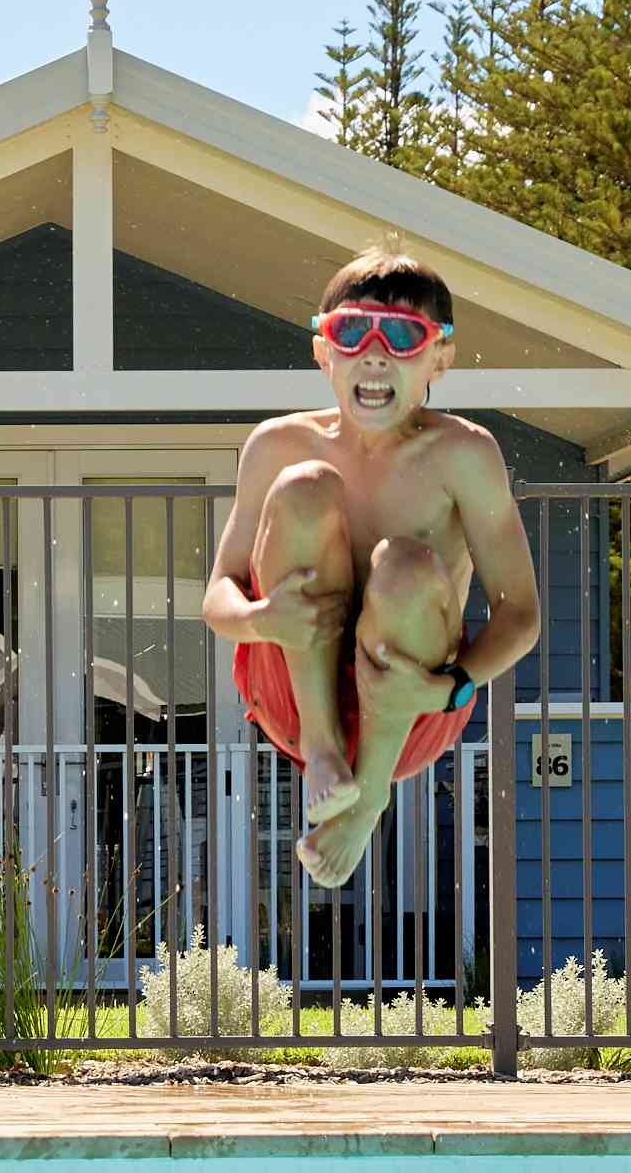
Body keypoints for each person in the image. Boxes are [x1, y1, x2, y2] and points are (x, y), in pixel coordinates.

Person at [202, 242, 545, 887]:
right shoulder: (277, 445)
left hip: (413, 705)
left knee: (407, 566)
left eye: (403, 337)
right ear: (323, 351)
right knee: (305, 487)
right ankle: (324, 748)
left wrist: (453, 687)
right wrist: (261, 617)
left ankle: (369, 795)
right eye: (352, 332)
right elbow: (217, 596)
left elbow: (521, 615)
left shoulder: (463, 455)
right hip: (293, 694)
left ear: (440, 357)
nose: (375, 354)